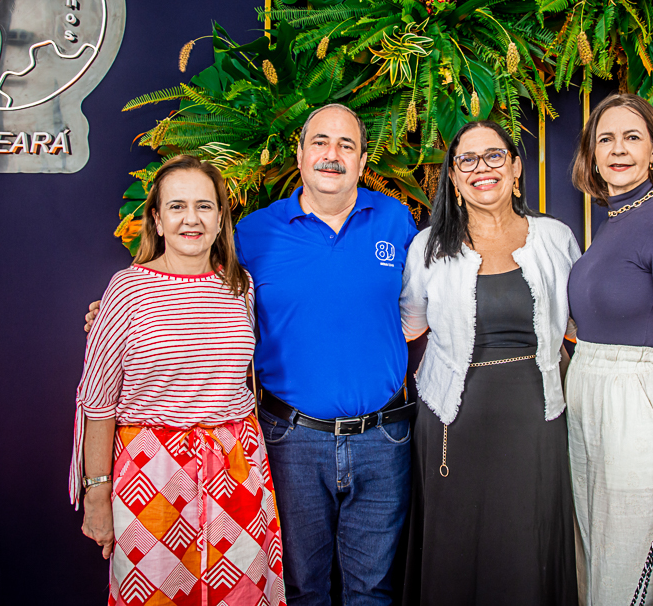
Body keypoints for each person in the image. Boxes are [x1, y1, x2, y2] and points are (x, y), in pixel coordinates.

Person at [88, 105, 420, 604]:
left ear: (363, 158)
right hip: (291, 440)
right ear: (301, 154)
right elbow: (191, 292)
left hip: (382, 439)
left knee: (373, 589)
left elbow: (416, 308)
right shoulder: (255, 234)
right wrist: (116, 313)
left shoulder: (396, 221)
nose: (332, 155)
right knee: (302, 586)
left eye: (346, 145)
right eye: (320, 143)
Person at [71, 156, 286, 606]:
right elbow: (98, 404)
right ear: (157, 218)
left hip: (237, 469)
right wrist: (96, 494)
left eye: (205, 206)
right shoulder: (126, 290)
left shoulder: (239, 287)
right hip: (151, 474)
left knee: (241, 594)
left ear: (222, 217)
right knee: (156, 595)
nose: (192, 218)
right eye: (177, 206)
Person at [399, 120, 581, 605]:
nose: (482, 168)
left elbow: (578, 326)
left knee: (526, 547)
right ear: (454, 178)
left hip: (536, 420)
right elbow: (410, 323)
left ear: (516, 167)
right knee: (456, 553)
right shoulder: (428, 247)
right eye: (467, 160)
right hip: (452, 423)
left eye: (495, 156)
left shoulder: (555, 239)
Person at [564, 93, 653, 605]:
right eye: (606, 139)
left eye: (632, 138)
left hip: (638, 411)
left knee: (634, 567)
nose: (618, 149)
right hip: (589, 405)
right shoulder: (610, 224)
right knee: (598, 559)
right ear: (592, 154)